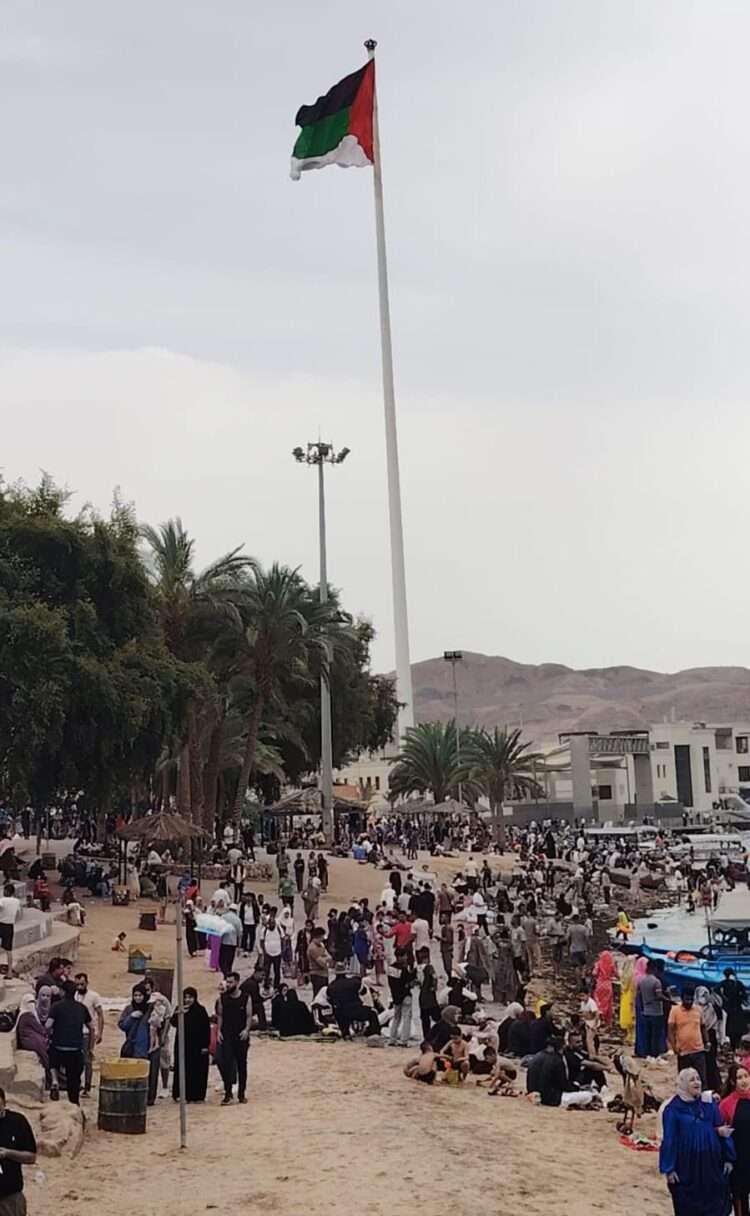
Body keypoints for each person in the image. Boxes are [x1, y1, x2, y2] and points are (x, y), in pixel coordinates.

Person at [660, 1067, 735, 1216]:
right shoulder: (672, 1109)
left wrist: (729, 1158)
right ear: (682, 1084)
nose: (697, 1083)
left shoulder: (708, 1104)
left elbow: (722, 1130)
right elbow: (669, 1140)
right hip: (687, 1168)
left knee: (716, 1205)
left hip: (711, 1165)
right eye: (692, 1080)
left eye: (698, 1079)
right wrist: (669, 1168)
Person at [47, 979, 91, 1105]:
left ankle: (54, 1080)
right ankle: (74, 1103)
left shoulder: (56, 1007)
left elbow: (48, 1025)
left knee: (52, 1059)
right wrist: (90, 1046)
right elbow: (91, 1027)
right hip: (75, 1049)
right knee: (74, 1080)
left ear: (63, 992)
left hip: (58, 1047)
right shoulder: (82, 1008)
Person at [0, 1085, 37, 1216]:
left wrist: (8, 1153)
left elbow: (31, 1157)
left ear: (4, 1103)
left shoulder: (17, 1122)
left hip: (10, 1195)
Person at [216, 971, 251, 1104]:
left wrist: (246, 1030)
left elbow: (249, 1016)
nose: (228, 984)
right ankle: (228, 1093)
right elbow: (220, 1015)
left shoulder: (245, 997)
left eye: (231, 982)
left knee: (242, 1065)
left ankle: (241, 1094)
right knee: (226, 1063)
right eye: (227, 982)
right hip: (227, 1035)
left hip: (241, 1035)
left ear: (237, 982)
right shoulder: (223, 998)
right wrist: (219, 1031)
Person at [720, 1063, 750, 1216]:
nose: (744, 1080)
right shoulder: (726, 1105)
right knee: (740, 1201)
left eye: (746, 1076)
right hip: (738, 1161)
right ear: (732, 1082)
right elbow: (719, 1132)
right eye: (739, 1077)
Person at [171, 987, 211, 1103]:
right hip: (182, 1045)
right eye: (185, 997)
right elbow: (173, 1023)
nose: (187, 1000)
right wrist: (178, 1014)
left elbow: (206, 1029)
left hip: (197, 1046)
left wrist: (205, 1045)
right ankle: (181, 1094)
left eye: (190, 997)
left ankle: (197, 1095)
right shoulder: (180, 1009)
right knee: (182, 1068)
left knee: (197, 1070)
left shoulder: (201, 1010)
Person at [668, 988, 708, 1087]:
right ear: (682, 998)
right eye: (687, 999)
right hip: (683, 1051)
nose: (689, 1002)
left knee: (701, 1078)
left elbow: (703, 1027)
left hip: (698, 1050)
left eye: (691, 999)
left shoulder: (698, 1009)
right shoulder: (675, 1010)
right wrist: (674, 1047)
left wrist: (707, 1042)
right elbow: (670, 1030)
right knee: (684, 1079)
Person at [327, 964, 380, 1038]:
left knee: (339, 1014)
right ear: (345, 972)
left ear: (335, 973)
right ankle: (374, 1033)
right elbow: (363, 992)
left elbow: (330, 1000)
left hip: (341, 1012)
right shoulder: (354, 982)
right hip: (356, 1010)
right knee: (373, 1013)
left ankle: (345, 1033)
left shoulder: (331, 986)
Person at [75, 972, 103, 1098]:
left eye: (82, 984)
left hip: (88, 1033)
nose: (80, 987)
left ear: (87, 983)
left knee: (87, 1060)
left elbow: (100, 1015)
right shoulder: (74, 995)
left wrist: (100, 1032)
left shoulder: (94, 996)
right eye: (77, 985)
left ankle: (87, 1086)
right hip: (75, 1032)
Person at [526, 1038, 567, 1107]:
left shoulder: (536, 1056)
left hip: (532, 1094)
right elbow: (563, 1084)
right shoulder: (557, 1060)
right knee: (585, 1095)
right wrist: (576, 1086)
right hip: (552, 1099)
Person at [388, 949, 416, 1047]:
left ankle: (392, 1039)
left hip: (395, 996)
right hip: (405, 995)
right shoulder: (403, 969)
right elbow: (408, 982)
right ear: (400, 957)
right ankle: (404, 1040)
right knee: (406, 1018)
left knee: (396, 1018)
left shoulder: (390, 968)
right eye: (404, 956)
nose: (406, 958)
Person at [118, 984, 153, 1062]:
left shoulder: (150, 1009)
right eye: (135, 995)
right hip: (131, 1048)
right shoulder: (129, 1009)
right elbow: (122, 1026)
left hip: (145, 1048)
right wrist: (131, 1017)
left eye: (140, 995)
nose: (138, 998)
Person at [639, 958, 666, 1059]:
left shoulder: (642, 981)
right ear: (654, 968)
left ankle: (648, 1054)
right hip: (656, 1012)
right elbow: (659, 996)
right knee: (656, 1035)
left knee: (648, 1035)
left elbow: (640, 996)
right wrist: (668, 1000)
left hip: (646, 1011)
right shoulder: (656, 982)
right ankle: (655, 1055)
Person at [720, 969, 749, 1050]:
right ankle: (737, 1047)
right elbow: (744, 996)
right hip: (738, 1010)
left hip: (730, 1011)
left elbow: (716, 991)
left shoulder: (723, 983)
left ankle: (733, 1048)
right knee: (738, 1033)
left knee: (731, 1033)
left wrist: (724, 998)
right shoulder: (739, 983)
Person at [260, 909, 284, 991]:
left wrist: (282, 950)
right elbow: (261, 941)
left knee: (277, 970)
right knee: (267, 970)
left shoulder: (279, 929)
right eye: (270, 923)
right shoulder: (264, 930)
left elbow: (283, 939)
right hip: (268, 954)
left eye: (273, 923)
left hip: (278, 953)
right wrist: (264, 952)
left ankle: (276, 986)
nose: (272, 924)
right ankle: (266, 985)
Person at [592, 950, 617, 1025]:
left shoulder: (598, 963)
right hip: (608, 985)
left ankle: (599, 1015)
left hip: (599, 984)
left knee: (598, 1001)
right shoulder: (611, 964)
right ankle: (606, 1020)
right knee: (608, 1002)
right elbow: (616, 974)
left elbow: (594, 973)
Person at [0, 884, 20, 977]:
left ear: (7, 891)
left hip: (1, 924)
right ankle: (9, 972)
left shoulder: (2, 900)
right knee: (8, 950)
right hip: (10, 926)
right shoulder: (17, 901)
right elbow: (18, 914)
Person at [308, 927, 332, 997]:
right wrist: (326, 958)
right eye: (322, 937)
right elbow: (322, 963)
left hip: (324, 974)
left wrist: (325, 958)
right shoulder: (312, 948)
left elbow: (329, 957)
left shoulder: (321, 945)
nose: (323, 939)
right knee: (318, 995)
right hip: (317, 975)